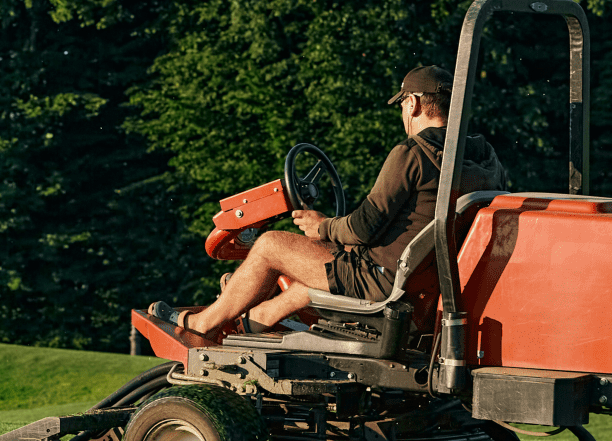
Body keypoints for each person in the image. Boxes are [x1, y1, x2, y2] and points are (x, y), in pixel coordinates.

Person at [155, 64, 510, 340]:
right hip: (424, 283)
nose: (402, 112)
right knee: (311, 265)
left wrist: (321, 225)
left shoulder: (412, 155)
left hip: (381, 281)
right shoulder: (486, 160)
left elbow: (363, 228)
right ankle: (255, 319)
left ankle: (202, 322)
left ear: (413, 102)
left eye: (402, 104)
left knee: (269, 245)